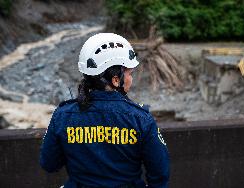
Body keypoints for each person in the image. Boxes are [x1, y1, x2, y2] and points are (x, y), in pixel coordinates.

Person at [39, 33, 170, 188]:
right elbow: (160, 174)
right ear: (116, 80)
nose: (131, 79)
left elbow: (49, 164)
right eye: (129, 73)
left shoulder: (62, 116)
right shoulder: (141, 119)